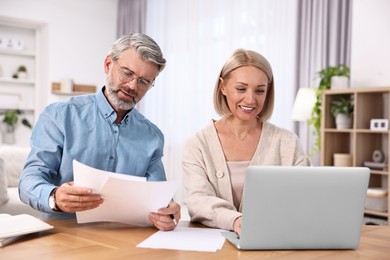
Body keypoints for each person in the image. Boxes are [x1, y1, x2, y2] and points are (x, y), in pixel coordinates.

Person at [19, 33, 180, 231]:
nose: (132, 86)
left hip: (126, 239)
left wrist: (167, 211)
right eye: (127, 73)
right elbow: (28, 181)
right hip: (64, 235)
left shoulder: (152, 136)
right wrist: (54, 197)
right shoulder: (60, 115)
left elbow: (158, 198)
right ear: (107, 65)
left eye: (144, 81)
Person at [182, 49, 311, 234]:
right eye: (241, 89)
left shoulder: (287, 142)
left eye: (260, 90)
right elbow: (198, 200)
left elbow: (303, 196)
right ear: (223, 87)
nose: (250, 99)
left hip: (273, 242)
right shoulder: (198, 144)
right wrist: (235, 221)